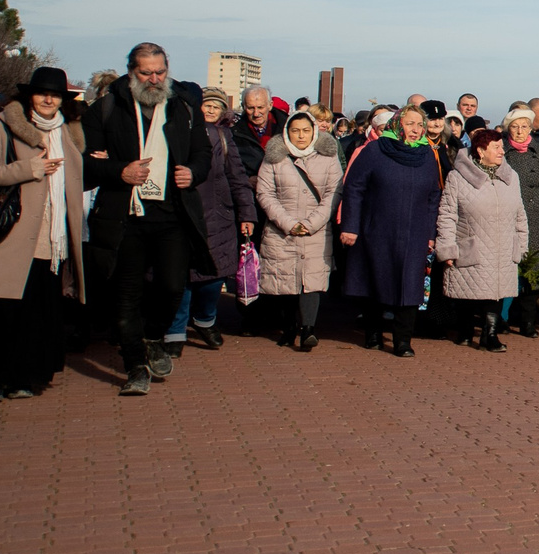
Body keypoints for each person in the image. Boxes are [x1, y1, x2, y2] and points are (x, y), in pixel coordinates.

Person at [82, 43, 211, 397]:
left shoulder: (183, 106)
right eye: (146, 73)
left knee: (172, 286)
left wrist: (194, 172)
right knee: (126, 293)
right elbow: (85, 164)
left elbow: (203, 152)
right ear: (130, 72)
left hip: (172, 212)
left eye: (160, 72)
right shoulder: (106, 109)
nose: (154, 79)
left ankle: (153, 337)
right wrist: (118, 171)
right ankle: (135, 365)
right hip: (125, 214)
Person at [0, 67, 88, 404]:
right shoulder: (3, 126)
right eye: (42, 92)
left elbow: (77, 180)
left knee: (35, 314)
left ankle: (24, 377)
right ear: (29, 96)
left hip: (50, 238)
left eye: (55, 94)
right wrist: (28, 169)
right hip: (7, 234)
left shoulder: (70, 133)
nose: (48, 99)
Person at [339, 106, 444, 357]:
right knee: (375, 281)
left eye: (420, 125)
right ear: (398, 125)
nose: (416, 130)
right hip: (377, 229)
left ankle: (403, 341)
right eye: (410, 124)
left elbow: (433, 196)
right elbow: (354, 189)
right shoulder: (375, 151)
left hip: (414, 232)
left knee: (409, 286)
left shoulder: (427, 154)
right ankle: (373, 333)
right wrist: (351, 226)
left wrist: (430, 232)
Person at [168, 89, 255, 356]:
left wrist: (247, 214)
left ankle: (205, 319)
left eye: (215, 107)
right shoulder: (173, 133)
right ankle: (175, 332)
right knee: (180, 277)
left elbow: (238, 178)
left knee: (213, 279)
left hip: (218, 216)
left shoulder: (223, 136)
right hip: (182, 214)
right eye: (205, 106)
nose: (208, 111)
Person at [253, 108, 340, 351]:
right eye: (295, 131)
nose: (301, 136)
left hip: (316, 230)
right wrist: (289, 224)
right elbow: (265, 192)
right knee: (286, 281)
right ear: (287, 132)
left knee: (311, 281)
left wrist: (311, 223)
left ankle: (308, 329)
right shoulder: (274, 157)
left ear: (314, 131)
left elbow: (335, 192)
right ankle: (289, 326)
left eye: (305, 130)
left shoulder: (328, 157)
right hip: (282, 229)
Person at [437, 127, 527, 352]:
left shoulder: (511, 176)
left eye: (501, 146)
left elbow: (520, 213)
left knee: (495, 292)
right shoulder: (458, 177)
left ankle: (490, 335)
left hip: (503, 245)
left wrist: (521, 245)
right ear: (480, 150)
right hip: (471, 243)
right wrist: (447, 248)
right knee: (468, 290)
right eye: (496, 147)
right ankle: (465, 331)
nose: (501, 151)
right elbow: (447, 214)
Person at [500, 106, 539, 337]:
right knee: (510, 267)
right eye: (515, 127)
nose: (520, 131)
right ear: (508, 129)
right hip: (509, 213)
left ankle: (528, 322)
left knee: (534, 269)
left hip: (536, 213)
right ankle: (503, 319)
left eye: (525, 126)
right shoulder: (501, 152)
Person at [233, 85, 286, 185]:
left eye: (260, 107)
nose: (256, 113)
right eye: (250, 108)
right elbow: (232, 167)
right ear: (243, 106)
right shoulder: (234, 134)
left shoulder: (288, 129)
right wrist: (246, 179)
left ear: (270, 105)